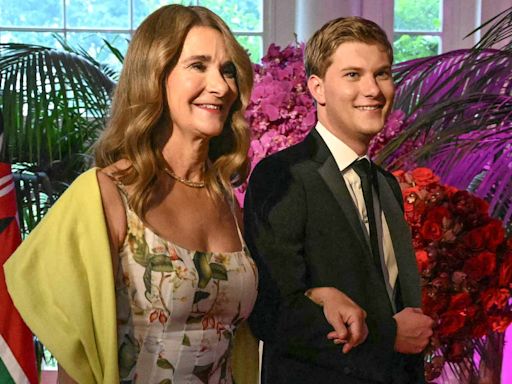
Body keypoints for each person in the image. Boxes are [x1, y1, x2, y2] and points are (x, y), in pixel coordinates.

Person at [4, 5, 259, 384]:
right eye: (198, 66)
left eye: (227, 70)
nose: (221, 86)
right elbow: (79, 356)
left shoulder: (228, 201)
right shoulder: (106, 195)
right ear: (155, 75)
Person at [244, 16, 434, 384]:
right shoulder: (282, 175)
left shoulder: (384, 183)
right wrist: (388, 336)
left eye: (381, 74)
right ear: (317, 88)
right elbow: (272, 310)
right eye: (352, 75)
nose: (373, 90)